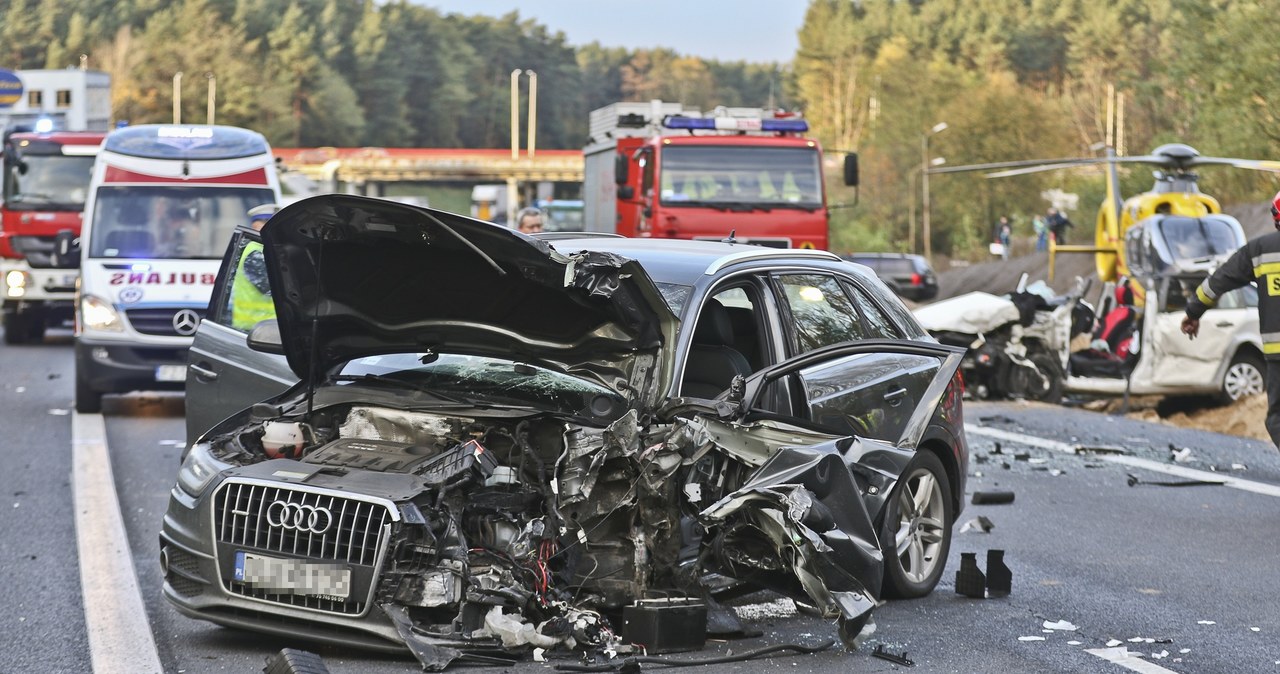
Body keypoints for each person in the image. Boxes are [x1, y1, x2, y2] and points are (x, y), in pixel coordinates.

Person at [1181, 189, 1280, 449]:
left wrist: (1193, 312)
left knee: (1278, 417)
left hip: (1278, 354)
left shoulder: (1259, 251)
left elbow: (1218, 281)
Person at [230, 203, 278, 331]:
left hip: (264, 328)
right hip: (253, 329)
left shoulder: (264, 250)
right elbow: (274, 289)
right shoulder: (255, 254)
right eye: (267, 223)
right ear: (255, 226)